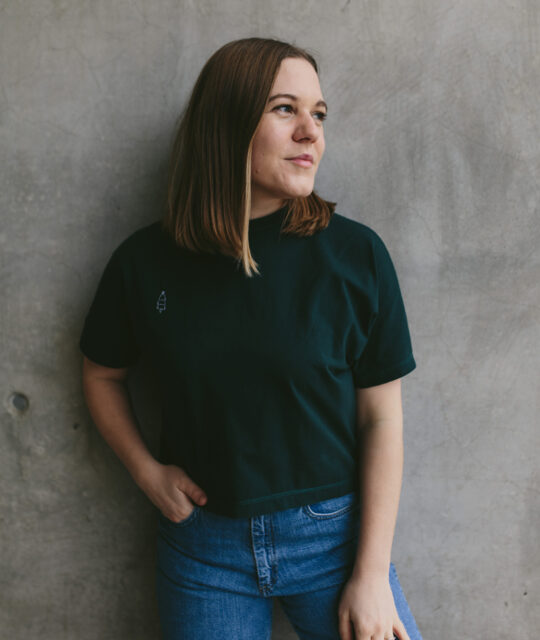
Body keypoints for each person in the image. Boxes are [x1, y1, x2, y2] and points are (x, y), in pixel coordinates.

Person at [79, 37, 423, 640]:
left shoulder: (356, 256)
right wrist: (145, 472)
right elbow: (102, 373)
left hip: (334, 543)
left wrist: (370, 574)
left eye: (318, 114)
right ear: (227, 123)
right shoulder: (144, 263)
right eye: (285, 109)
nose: (310, 132)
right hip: (203, 551)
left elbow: (382, 419)